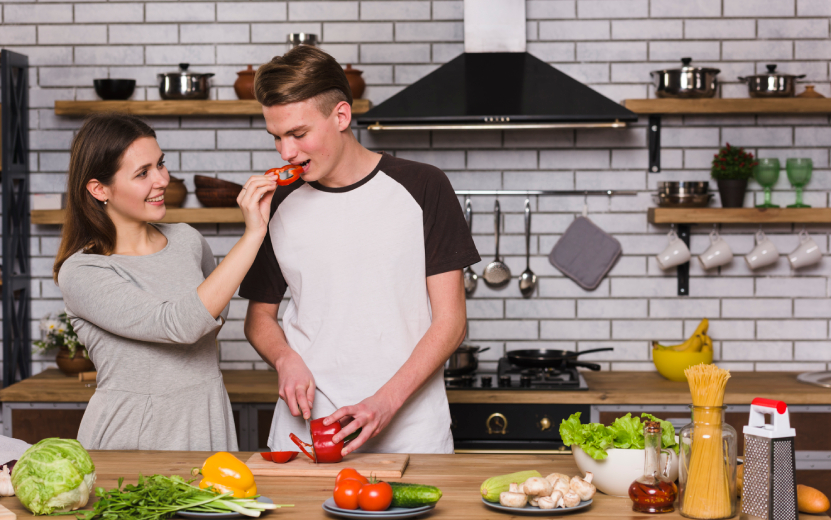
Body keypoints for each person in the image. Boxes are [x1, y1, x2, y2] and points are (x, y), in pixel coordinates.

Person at [240, 46, 481, 455]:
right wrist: (284, 358)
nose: (285, 153)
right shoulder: (277, 202)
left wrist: (384, 403)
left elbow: (451, 322)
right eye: (276, 137)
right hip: (306, 433)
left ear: (341, 116)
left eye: (298, 134)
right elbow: (259, 318)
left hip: (410, 432)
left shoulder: (423, 187)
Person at [55, 113, 277, 450]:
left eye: (160, 164)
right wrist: (254, 234)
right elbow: (180, 324)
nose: (162, 180)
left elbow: (208, 315)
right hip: (133, 436)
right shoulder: (84, 272)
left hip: (208, 416)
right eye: (142, 173)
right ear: (99, 189)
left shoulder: (187, 240)